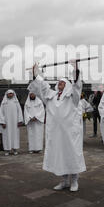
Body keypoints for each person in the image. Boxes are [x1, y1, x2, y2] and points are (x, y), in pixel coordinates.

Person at [28, 61, 85, 192]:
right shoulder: (51, 96)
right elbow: (41, 87)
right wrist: (35, 73)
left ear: (68, 85)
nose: (60, 84)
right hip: (56, 133)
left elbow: (77, 87)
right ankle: (64, 181)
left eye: (63, 83)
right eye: (59, 82)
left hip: (70, 133)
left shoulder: (73, 97)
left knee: (72, 155)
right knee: (60, 155)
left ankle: (74, 181)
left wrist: (75, 69)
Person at [0, 89, 24, 156]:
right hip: (7, 124)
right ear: (7, 94)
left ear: (13, 94)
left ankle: (15, 149)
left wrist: (19, 121)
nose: (10, 95)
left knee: (15, 136)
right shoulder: (4, 103)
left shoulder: (16, 102)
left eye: (11, 93)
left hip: (15, 123)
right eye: (9, 93)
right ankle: (7, 150)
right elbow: (1, 113)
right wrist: (2, 122)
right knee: (6, 136)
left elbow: (19, 112)